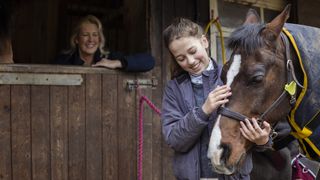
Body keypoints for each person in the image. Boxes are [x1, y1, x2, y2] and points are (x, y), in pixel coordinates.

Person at [161, 17, 272, 180]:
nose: (190, 61)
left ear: (204, 41)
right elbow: (174, 140)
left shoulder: (234, 78)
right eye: (181, 58)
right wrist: (203, 111)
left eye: (192, 51)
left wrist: (262, 141)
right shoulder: (174, 89)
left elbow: (259, 130)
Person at [54, 15, 155, 72]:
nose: (91, 39)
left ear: (100, 39)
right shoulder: (64, 60)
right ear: (76, 39)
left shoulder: (109, 57)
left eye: (95, 35)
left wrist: (117, 63)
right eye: (85, 35)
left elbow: (149, 61)